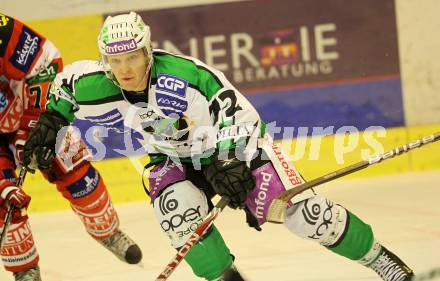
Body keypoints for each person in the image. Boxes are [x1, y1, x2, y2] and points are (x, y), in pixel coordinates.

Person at [23, 12, 414, 281]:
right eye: (115, 59)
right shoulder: (94, 82)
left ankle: (383, 262)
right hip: (172, 158)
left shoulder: (187, 76)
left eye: (133, 57)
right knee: (179, 218)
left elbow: (240, 115)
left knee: (303, 213)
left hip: (235, 149)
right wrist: (50, 122)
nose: (124, 69)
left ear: (148, 52)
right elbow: (64, 87)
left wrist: (227, 160)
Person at [0, 14, 142, 281]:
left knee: (74, 170)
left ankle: (107, 232)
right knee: (3, 201)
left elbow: (46, 61)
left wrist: (33, 126)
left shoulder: (2, 30)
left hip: (31, 110)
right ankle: (25, 269)